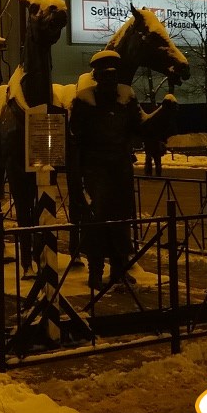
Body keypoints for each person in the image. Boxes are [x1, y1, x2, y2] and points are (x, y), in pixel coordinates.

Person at [69, 50, 142, 290]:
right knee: (96, 222)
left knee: (121, 221)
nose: (110, 79)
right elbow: (75, 143)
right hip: (95, 171)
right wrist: (77, 179)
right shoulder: (84, 102)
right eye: (105, 74)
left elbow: (138, 127)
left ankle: (119, 270)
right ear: (97, 76)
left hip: (120, 170)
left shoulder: (126, 100)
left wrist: (166, 111)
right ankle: (95, 272)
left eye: (114, 74)